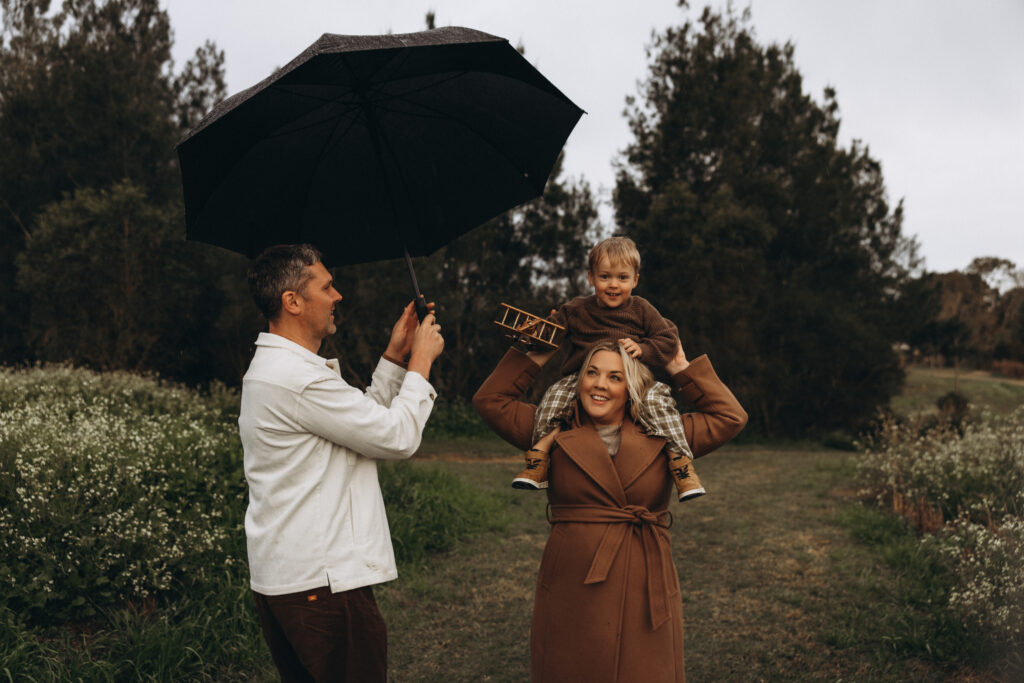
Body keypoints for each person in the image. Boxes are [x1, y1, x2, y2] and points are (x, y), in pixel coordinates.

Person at [473, 338, 746, 682]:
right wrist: (540, 353)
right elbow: (489, 400)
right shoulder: (549, 425)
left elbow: (731, 416)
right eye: (592, 373)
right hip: (573, 579)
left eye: (616, 377)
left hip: (645, 580)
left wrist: (680, 367)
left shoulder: (665, 431)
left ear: (632, 386)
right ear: (577, 380)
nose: (600, 385)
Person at [239, 244, 444, 682]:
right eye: (327, 286)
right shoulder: (297, 378)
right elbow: (396, 437)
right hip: (322, 584)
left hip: (297, 580)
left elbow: (363, 426)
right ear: (292, 302)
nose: (338, 296)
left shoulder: (279, 368)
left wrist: (394, 356)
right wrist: (421, 364)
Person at [512, 236, 705, 503]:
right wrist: (531, 335)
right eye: (605, 277)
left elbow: (668, 338)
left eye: (622, 278)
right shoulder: (576, 310)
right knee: (552, 400)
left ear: (635, 280)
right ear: (591, 278)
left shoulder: (642, 309)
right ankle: (537, 461)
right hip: (582, 377)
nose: (613, 285)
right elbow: (551, 333)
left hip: (633, 379)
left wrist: (644, 349)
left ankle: (681, 467)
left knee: (660, 405)